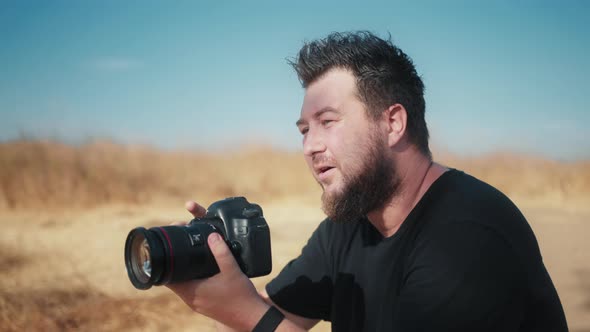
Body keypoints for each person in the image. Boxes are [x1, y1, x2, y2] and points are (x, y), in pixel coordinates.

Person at [167, 31, 569, 331]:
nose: (309, 146)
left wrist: (245, 312)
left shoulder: (468, 237)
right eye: (304, 129)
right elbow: (271, 316)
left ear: (392, 122)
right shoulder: (348, 228)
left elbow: (258, 321)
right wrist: (216, 269)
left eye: (327, 122)